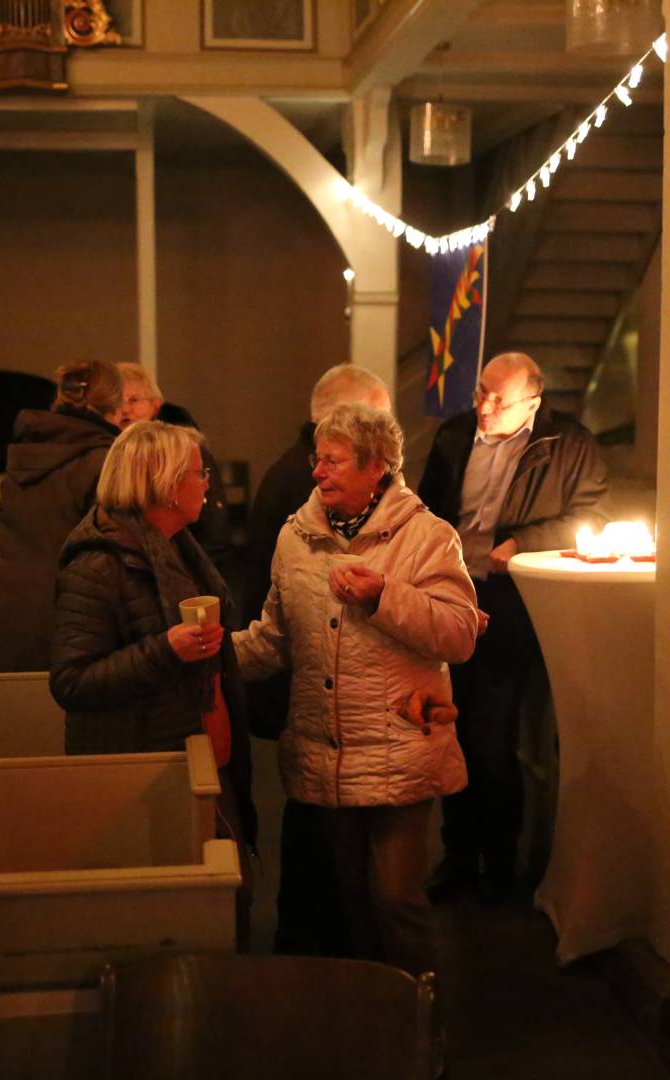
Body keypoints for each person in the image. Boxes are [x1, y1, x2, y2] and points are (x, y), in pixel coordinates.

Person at [234, 403, 478, 977]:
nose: (318, 472)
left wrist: (382, 596)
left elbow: (461, 633)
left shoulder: (427, 538)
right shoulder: (296, 538)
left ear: (378, 468)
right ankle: (376, 1014)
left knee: (397, 898)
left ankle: (425, 1018)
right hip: (325, 748)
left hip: (399, 745)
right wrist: (210, 654)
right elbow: (274, 638)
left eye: (334, 462)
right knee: (349, 899)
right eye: (318, 460)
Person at [417, 351, 608, 902]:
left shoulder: (567, 445)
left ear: (533, 401)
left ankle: (499, 864)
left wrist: (524, 543)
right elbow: (427, 509)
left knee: (492, 739)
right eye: (481, 392)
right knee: (449, 732)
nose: (484, 406)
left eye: (499, 399)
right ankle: (457, 857)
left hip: (511, 603)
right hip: (452, 597)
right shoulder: (455, 437)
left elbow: (590, 516)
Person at [49, 420, 256, 867]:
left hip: (198, 749)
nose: (207, 484)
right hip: (147, 772)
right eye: (199, 474)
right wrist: (166, 651)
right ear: (163, 484)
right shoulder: (96, 566)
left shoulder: (176, 544)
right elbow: (71, 682)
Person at [243, 363, 393, 958]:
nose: (385, 432)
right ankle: (319, 960)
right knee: (318, 843)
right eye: (375, 420)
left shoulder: (297, 472)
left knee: (318, 836)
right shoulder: (306, 491)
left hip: (299, 680)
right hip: (304, 681)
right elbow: (304, 608)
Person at [0, 361, 122, 674]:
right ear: (117, 406)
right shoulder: (105, 461)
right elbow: (104, 558)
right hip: (51, 619)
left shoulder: (28, 452)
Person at [110, 362, 236, 577]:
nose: (125, 409)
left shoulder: (188, 450)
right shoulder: (109, 454)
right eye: (117, 401)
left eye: (133, 400)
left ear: (155, 405)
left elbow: (212, 526)